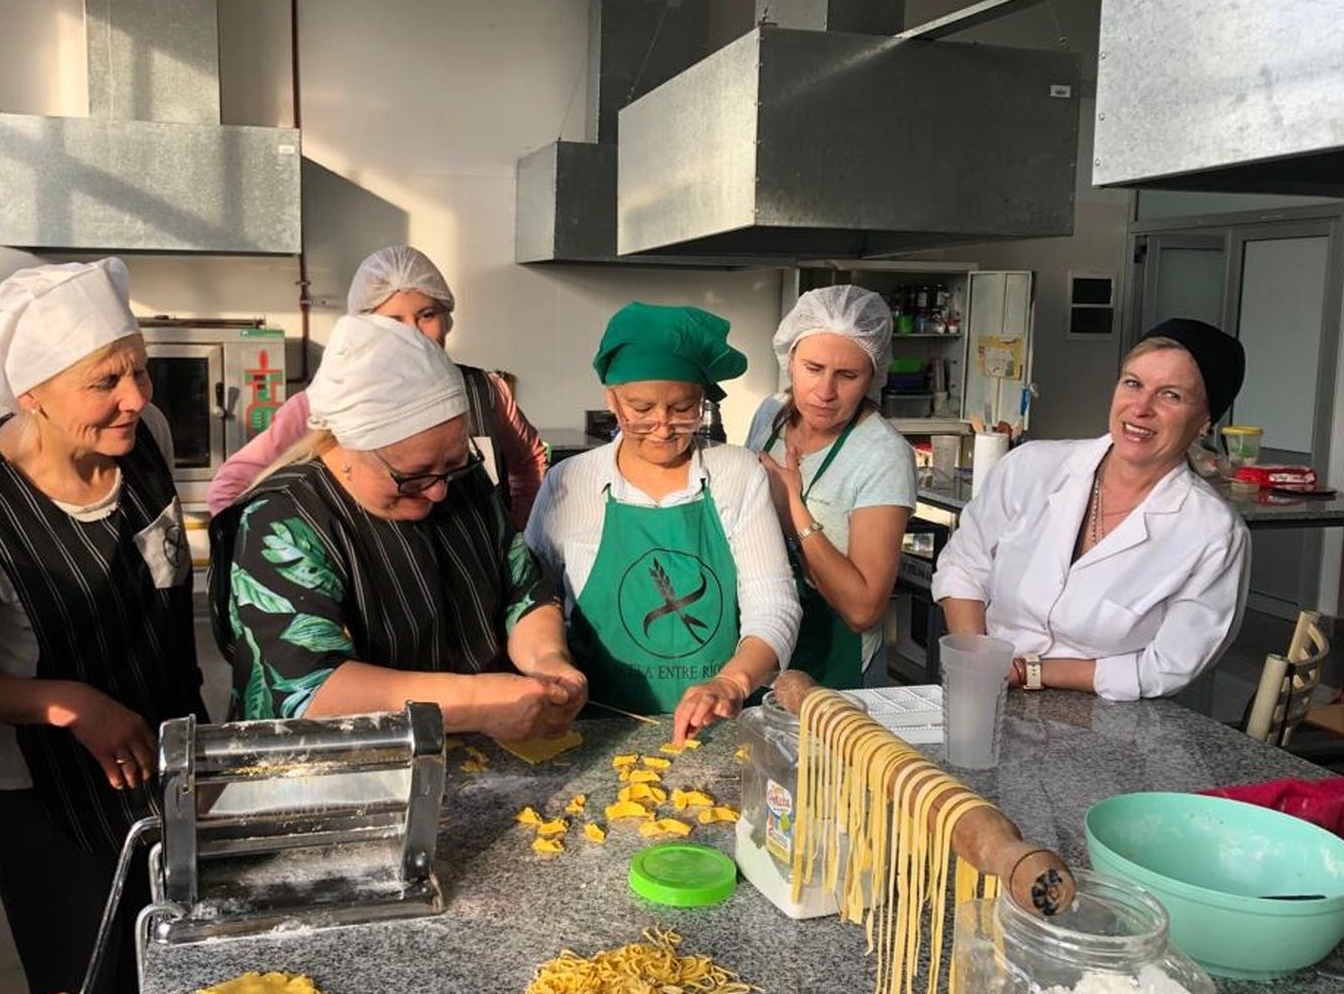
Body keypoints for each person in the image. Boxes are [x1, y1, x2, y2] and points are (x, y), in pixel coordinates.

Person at [0, 259, 205, 994]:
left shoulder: (145, 437)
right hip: (44, 798)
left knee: (186, 970)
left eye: (140, 369)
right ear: (32, 395)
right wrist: (63, 701)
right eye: (105, 381)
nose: (136, 397)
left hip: (165, 750)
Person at [210, 312, 585, 739]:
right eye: (416, 474)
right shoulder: (281, 522)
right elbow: (310, 690)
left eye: (453, 463)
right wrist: (481, 704)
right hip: (343, 771)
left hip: (469, 757)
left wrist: (549, 663)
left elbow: (524, 593)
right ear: (352, 448)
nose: (439, 491)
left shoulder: (461, 482)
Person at [932, 318, 1251, 701]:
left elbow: (1167, 666)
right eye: (1132, 383)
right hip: (982, 695)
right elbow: (964, 566)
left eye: (1171, 395)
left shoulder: (1213, 533)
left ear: (1205, 420)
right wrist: (980, 666)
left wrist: (1027, 672)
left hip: (1108, 718)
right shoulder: (1030, 467)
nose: (1141, 407)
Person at [524, 302, 800, 744]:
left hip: (716, 729)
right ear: (610, 398)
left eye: (682, 407)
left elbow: (773, 600)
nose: (663, 426)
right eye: (641, 407)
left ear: (703, 400)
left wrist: (732, 682)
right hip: (595, 730)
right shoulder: (569, 482)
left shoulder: (736, 473)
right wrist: (549, 666)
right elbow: (533, 600)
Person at [207, 244, 547, 524]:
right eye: (393, 321)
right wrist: (252, 560)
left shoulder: (484, 390)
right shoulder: (330, 404)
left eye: (426, 315)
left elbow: (529, 460)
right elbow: (230, 485)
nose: (413, 332)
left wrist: (520, 528)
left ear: (447, 318)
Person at [746, 285, 917, 688]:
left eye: (847, 375)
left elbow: (863, 609)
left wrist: (793, 511)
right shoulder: (770, 413)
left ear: (873, 375)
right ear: (790, 361)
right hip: (762, 648)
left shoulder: (883, 454)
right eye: (813, 368)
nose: (825, 392)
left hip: (835, 667)